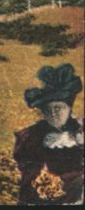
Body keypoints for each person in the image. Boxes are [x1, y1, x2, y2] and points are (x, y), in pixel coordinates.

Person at [13, 63, 83, 205]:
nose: (53, 114)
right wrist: (44, 180)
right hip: (43, 191)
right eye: (47, 110)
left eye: (58, 108)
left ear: (69, 108)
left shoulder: (80, 129)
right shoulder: (32, 136)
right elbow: (27, 169)